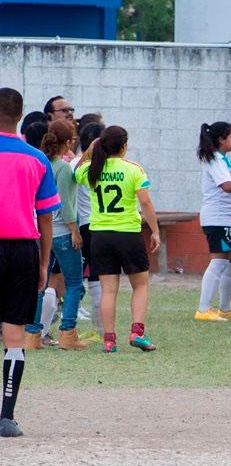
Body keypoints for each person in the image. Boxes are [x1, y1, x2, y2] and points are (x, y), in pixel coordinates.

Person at [0, 87, 61, 437]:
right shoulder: (37, 159)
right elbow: (47, 217)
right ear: (21, 116)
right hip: (23, 250)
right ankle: (6, 418)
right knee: (14, 334)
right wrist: (43, 263)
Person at [74, 126, 161, 353]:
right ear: (124, 145)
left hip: (100, 236)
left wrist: (90, 150)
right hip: (128, 234)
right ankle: (137, 333)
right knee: (140, 285)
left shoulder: (92, 169)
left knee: (108, 290)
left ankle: (109, 340)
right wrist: (155, 230)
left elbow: (77, 171)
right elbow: (145, 203)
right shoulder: (133, 169)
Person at [24, 120, 87, 350]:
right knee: (74, 283)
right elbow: (64, 203)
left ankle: (32, 334)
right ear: (68, 142)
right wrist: (74, 229)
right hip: (62, 232)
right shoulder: (63, 168)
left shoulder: (40, 163)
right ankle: (68, 333)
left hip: (41, 232)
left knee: (40, 282)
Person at [195, 122, 231, 322]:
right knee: (219, 261)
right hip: (218, 219)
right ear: (221, 140)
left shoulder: (224, 159)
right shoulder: (215, 159)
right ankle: (203, 309)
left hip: (228, 219)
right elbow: (227, 186)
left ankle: (225, 309)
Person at [73, 121, 105, 341]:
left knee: (90, 279)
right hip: (96, 226)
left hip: (85, 225)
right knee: (96, 279)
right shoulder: (89, 164)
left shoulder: (78, 163)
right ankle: (100, 330)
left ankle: (98, 329)